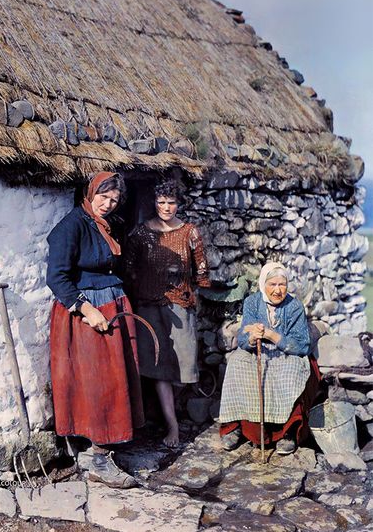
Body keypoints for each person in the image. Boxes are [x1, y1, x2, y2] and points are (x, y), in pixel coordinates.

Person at [46, 171, 144, 488]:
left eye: (114, 200)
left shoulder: (108, 226)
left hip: (112, 305)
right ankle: (99, 457)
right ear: (90, 194)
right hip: (87, 314)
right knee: (98, 381)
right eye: (103, 197)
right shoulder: (71, 226)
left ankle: (106, 447)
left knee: (115, 379)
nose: (107, 204)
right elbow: (57, 277)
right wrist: (87, 309)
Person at [125, 179, 210, 447]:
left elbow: (202, 271)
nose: (166, 207)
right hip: (149, 307)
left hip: (180, 306)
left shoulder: (189, 232)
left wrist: (188, 291)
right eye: (161, 202)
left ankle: (164, 411)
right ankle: (172, 425)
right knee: (160, 368)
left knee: (186, 365)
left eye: (171, 202)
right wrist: (142, 288)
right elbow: (128, 267)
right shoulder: (141, 234)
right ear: (154, 202)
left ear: (178, 203)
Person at [219, 261, 320, 455]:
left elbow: (302, 345)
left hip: (286, 353)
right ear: (263, 284)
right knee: (236, 364)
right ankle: (236, 426)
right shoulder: (252, 302)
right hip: (256, 351)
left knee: (291, 372)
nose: (277, 290)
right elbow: (242, 337)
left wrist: (272, 335)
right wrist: (251, 336)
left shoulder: (295, 306)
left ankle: (287, 433)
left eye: (282, 284)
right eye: (272, 284)